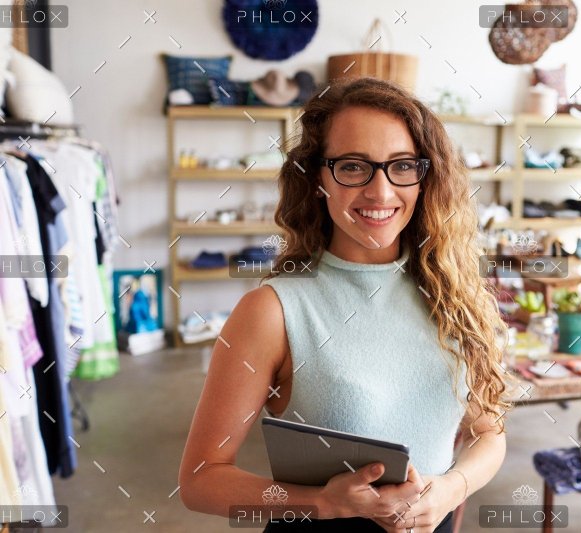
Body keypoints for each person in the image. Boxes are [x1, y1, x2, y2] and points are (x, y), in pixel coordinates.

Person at [179, 77, 513, 532]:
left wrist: (451, 490)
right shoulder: (272, 311)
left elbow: (488, 434)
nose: (380, 192)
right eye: (353, 167)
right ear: (318, 178)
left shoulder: (454, 296)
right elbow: (200, 482)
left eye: (402, 166)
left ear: (425, 177)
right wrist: (320, 503)